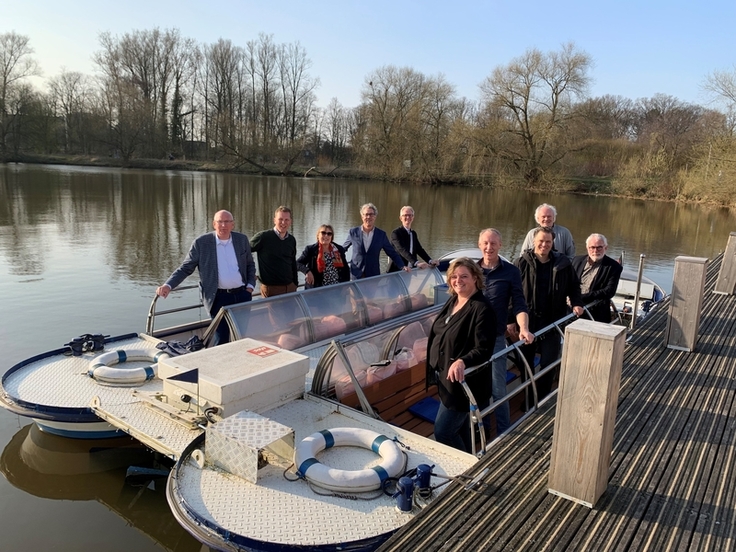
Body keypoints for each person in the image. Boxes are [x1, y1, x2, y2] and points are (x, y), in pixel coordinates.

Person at [427, 257, 497, 453]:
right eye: (454, 277)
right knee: (462, 429)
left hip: (464, 384)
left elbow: (484, 349)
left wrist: (462, 361)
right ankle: (471, 467)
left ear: (475, 277)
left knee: (443, 432)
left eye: (464, 276)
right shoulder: (453, 301)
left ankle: (463, 468)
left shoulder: (482, 309)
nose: (458, 281)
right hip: (446, 380)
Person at [156, 210, 256, 346]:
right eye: (220, 222)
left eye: (227, 222)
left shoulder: (241, 240)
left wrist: (250, 287)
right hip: (218, 297)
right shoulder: (201, 243)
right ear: (214, 224)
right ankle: (221, 366)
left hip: (242, 295)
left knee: (242, 335)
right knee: (222, 338)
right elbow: (186, 268)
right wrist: (168, 285)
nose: (223, 225)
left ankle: (239, 365)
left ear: (232, 224)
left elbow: (250, 264)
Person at [515, 227, 584, 401]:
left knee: (548, 362)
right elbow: (512, 293)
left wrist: (576, 303)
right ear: (533, 242)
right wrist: (510, 319)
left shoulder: (563, 264)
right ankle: (529, 398)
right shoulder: (520, 263)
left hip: (553, 321)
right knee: (526, 364)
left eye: (548, 242)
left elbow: (574, 286)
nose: (544, 245)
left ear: (553, 243)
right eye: (541, 241)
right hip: (527, 321)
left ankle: (543, 398)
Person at [477, 228, 533, 435]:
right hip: (472, 340)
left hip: (496, 338)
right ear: (479, 245)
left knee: (497, 388)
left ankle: (503, 432)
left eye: (493, 243)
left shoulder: (511, 272)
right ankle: (481, 430)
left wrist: (524, 328)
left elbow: (519, 304)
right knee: (478, 389)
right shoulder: (472, 271)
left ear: (500, 245)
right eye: (485, 243)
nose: (489, 247)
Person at [343, 203, 409, 279]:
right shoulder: (353, 232)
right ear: (362, 216)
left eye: (371, 214)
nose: (368, 217)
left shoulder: (381, 235)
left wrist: (402, 266)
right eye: (366, 214)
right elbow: (342, 249)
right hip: (356, 274)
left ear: (375, 217)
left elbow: (392, 253)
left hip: (373, 275)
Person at [572, 233, 623, 323]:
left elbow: (609, 291)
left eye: (599, 247)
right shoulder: (576, 260)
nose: (595, 250)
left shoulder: (614, 267)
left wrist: (583, 297)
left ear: (605, 248)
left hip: (596, 312)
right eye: (592, 247)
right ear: (587, 248)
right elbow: (568, 282)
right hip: (572, 308)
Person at [250, 206, 298, 297]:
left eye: (286, 220)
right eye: (280, 219)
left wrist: (295, 283)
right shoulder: (263, 237)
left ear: (290, 222)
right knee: (275, 312)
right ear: (274, 220)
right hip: (271, 289)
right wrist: (250, 273)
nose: (283, 223)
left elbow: (293, 263)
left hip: (290, 287)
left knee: (291, 312)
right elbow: (243, 252)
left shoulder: (291, 240)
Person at [387, 206, 438, 272]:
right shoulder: (395, 233)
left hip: (410, 271)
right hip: (397, 271)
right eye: (405, 215)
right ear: (400, 218)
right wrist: (417, 263)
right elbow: (402, 250)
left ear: (413, 218)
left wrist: (430, 261)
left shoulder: (413, 233)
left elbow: (419, 250)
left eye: (410, 215)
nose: (408, 217)